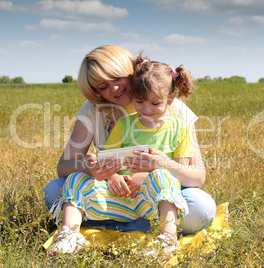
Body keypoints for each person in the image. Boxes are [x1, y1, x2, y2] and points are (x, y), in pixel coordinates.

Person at [44, 44, 215, 237]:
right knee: (54, 190)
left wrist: (158, 169)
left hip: (159, 194)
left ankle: (113, 225)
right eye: (103, 86)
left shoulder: (169, 106)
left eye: (117, 78)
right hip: (115, 191)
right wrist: (92, 170)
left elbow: (197, 176)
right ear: (96, 92)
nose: (114, 88)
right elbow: (64, 166)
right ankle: (143, 226)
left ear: (131, 71)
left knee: (201, 207)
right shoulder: (94, 108)